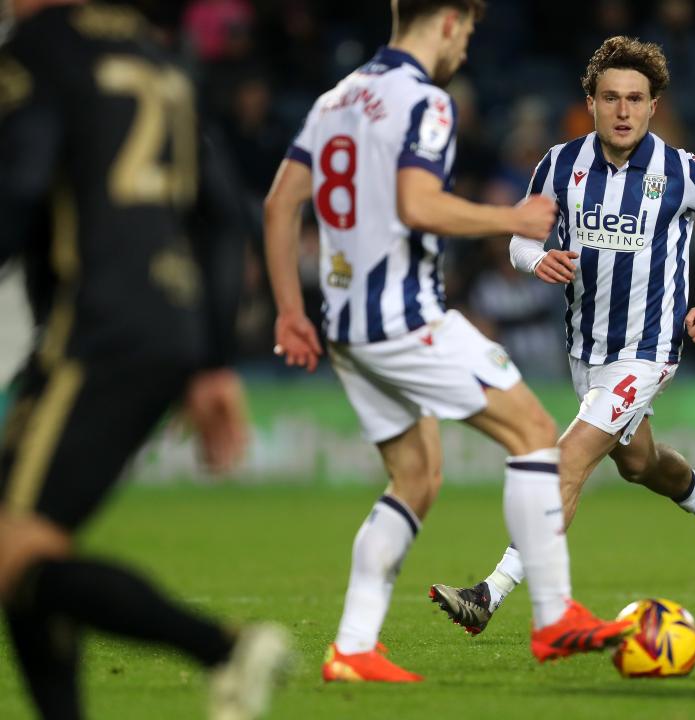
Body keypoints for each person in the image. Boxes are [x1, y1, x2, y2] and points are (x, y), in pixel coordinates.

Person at [264, 0, 635, 683]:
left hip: (345, 325)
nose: (466, 44)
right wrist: (512, 218)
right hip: (405, 318)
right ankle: (554, 618)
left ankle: (352, 648)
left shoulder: (337, 98)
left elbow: (280, 202)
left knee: (416, 477)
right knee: (533, 430)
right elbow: (418, 204)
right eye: (466, 29)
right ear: (445, 23)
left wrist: (291, 309)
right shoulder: (426, 103)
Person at [0, 2, 291, 718]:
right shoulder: (158, 56)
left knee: (13, 545)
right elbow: (223, 218)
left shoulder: (39, 48)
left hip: (95, 327)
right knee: (29, 548)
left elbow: (21, 182)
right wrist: (212, 358)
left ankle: (222, 647)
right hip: (165, 327)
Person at [430, 36, 695, 636]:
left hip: (649, 348)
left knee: (569, 458)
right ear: (591, 101)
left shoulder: (682, 171)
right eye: (611, 97)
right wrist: (537, 261)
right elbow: (520, 237)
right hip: (586, 347)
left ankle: (491, 592)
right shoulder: (560, 164)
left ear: (653, 105)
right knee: (638, 464)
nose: (624, 110)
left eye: (636, 98)